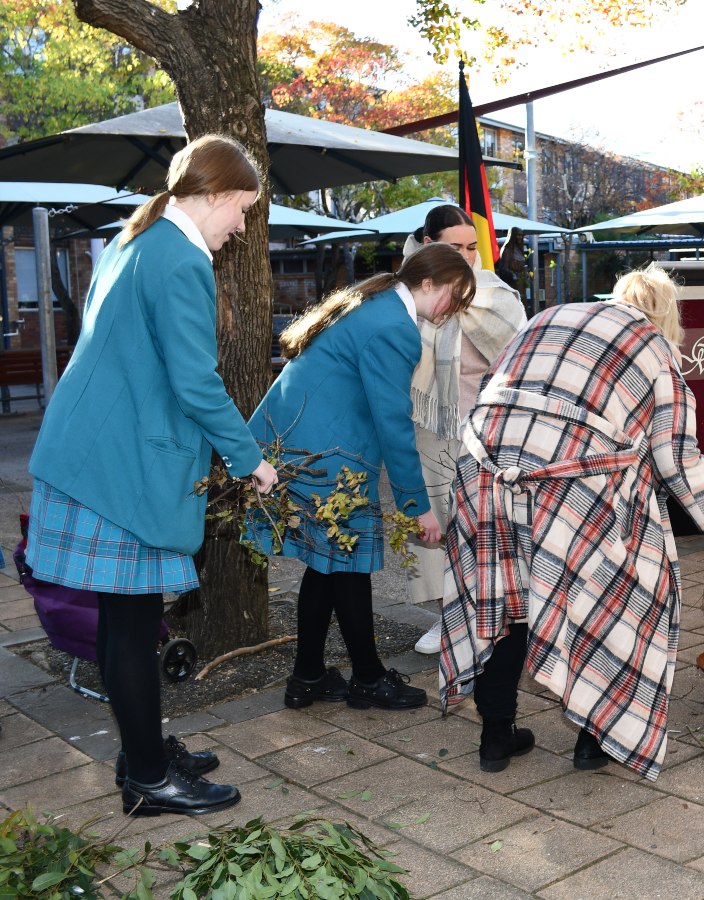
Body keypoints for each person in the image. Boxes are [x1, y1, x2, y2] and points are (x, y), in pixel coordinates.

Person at [26, 134, 279, 817]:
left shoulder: (139, 242)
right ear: (217, 194)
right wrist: (250, 456)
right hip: (118, 468)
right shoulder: (177, 260)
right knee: (133, 627)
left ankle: (143, 747)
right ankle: (147, 777)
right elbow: (195, 382)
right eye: (243, 211)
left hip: (98, 456)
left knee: (123, 624)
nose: (242, 227)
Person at [439, 263, 704, 779]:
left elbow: (496, 387)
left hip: (483, 471)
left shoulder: (549, 315)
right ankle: (596, 739)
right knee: (615, 598)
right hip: (569, 482)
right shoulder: (655, 349)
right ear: (666, 315)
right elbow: (676, 457)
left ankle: (495, 738)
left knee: (504, 597)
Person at [246, 242, 476, 714]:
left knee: (327, 569)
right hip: (327, 458)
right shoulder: (395, 327)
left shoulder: (375, 303)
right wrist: (418, 506)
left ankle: (307, 676)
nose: (454, 309)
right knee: (346, 569)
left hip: (299, 447)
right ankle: (367, 679)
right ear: (427, 283)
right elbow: (393, 422)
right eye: (455, 295)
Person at [404, 205, 527, 654]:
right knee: (434, 523)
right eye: (454, 247)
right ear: (427, 245)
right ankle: (445, 618)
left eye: (473, 246)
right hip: (430, 425)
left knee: (489, 528)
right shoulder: (409, 294)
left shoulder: (499, 297)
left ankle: (494, 616)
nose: (467, 256)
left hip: (488, 431)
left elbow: (521, 365)